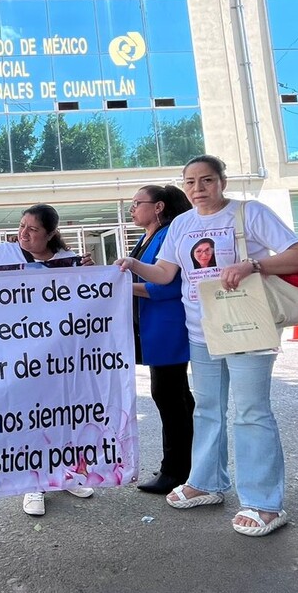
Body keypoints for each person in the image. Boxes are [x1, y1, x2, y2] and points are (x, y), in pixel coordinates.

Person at [116, 155, 298, 536]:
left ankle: (264, 503)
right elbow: (165, 273)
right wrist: (131, 265)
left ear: (222, 182)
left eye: (206, 180)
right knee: (207, 409)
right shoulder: (182, 225)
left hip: (246, 326)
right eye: (190, 182)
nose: (198, 189)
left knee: (252, 412)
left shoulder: (249, 212)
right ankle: (206, 481)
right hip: (201, 330)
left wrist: (253, 266)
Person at [0, 203, 94, 516]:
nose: (24, 234)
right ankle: (34, 482)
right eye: (21, 226)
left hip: (59, 353)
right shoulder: (1, 254)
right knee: (30, 415)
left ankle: (66, 474)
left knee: (64, 413)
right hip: (17, 353)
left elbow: (89, 295)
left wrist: (92, 270)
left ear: (50, 233)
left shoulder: (65, 261)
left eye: (33, 229)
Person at [128, 185, 196, 495]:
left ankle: (176, 471)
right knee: (175, 397)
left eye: (137, 203)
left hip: (168, 326)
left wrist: (127, 288)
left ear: (158, 206)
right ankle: (183, 465)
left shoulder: (169, 234)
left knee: (170, 398)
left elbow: (168, 286)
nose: (132, 208)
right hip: (153, 326)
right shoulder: (148, 237)